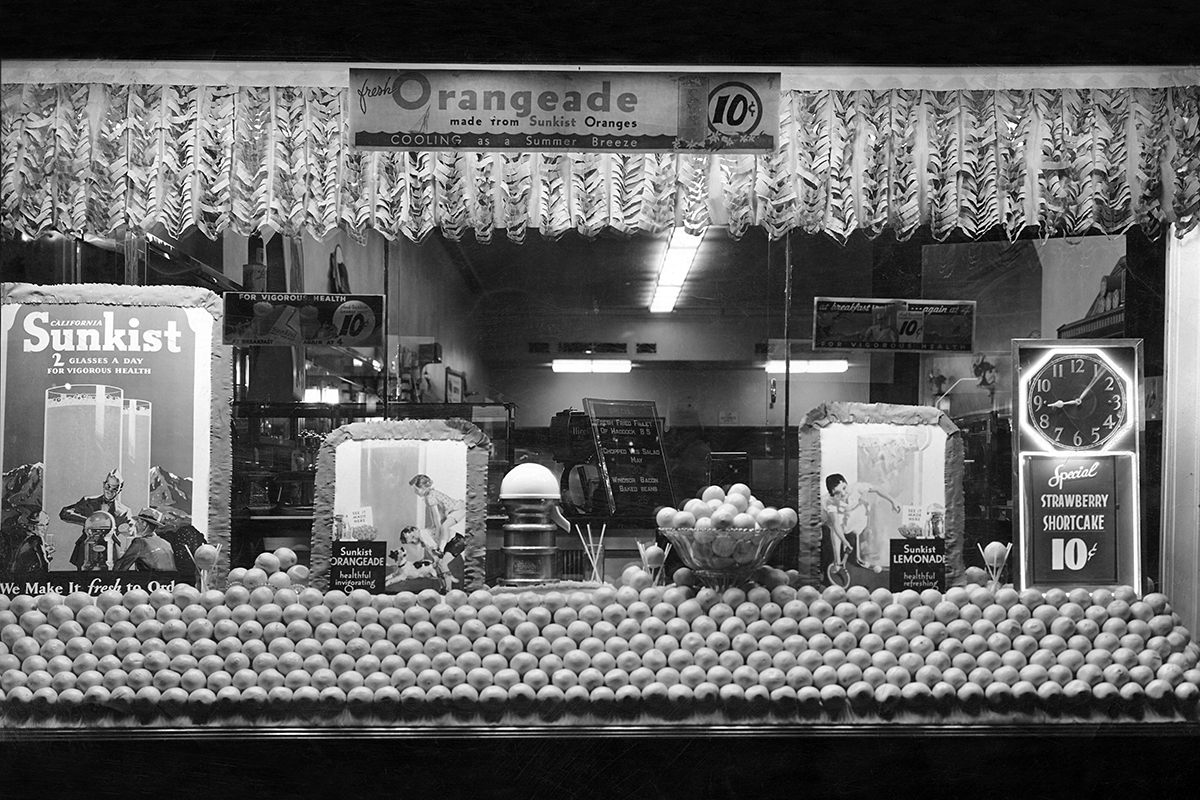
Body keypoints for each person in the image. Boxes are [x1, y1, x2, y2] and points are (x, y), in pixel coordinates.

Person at [824, 473, 901, 570]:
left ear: (846, 483)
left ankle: (868, 547)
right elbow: (836, 523)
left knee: (868, 524)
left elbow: (877, 489)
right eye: (837, 493)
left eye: (844, 488)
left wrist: (893, 501)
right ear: (832, 494)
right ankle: (837, 561)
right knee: (834, 528)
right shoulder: (830, 502)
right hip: (844, 518)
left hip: (860, 513)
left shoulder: (856, 488)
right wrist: (844, 541)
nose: (843, 494)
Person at [63, 469, 133, 568]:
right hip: (86, 550)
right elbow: (65, 513)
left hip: (110, 553)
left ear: (120, 490)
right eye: (108, 486)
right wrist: (88, 521)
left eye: (114, 489)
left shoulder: (125, 511)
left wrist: (128, 529)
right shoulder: (88, 501)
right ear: (103, 484)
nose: (110, 491)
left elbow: (132, 529)